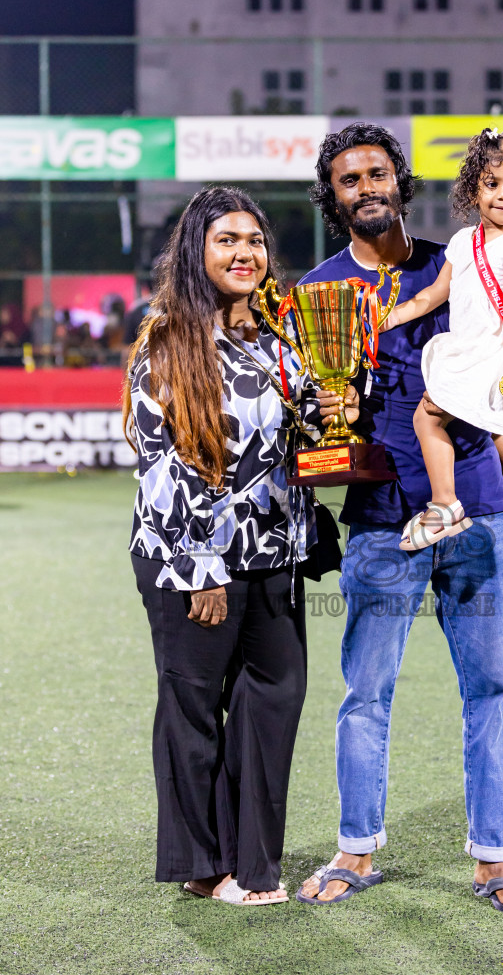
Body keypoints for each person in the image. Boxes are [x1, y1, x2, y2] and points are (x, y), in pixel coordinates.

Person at [295, 122, 503, 915]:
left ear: (400, 182)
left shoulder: (463, 257)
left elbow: (496, 365)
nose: (365, 187)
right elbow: (311, 418)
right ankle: (355, 848)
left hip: (474, 508)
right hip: (377, 518)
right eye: (347, 179)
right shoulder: (317, 293)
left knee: (492, 687)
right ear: (332, 200)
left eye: (376, 173)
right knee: (365, 691)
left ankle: (493, 860)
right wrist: (320, 421)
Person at [122, 186, 354, 906]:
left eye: (253, 240)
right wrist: (200, 570)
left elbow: (307, 436)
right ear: (196, 251)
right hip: (190, 562)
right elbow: (165, 467)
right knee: (193, 713)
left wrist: (336, 408)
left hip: (275, 559)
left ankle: (253, 867)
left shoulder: (279, 338)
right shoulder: (166, 341)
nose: (244, 252)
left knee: (271, 707)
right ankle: (200, 862)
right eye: (226, 240)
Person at [381, 128, 503, 550]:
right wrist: (395, 314)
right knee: (486, 423)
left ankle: (444, 506)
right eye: (492, 185)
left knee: (427, 417)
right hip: (465, 349)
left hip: (494, 355)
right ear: (473, 190)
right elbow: (435, 294)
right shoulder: (462, 243)